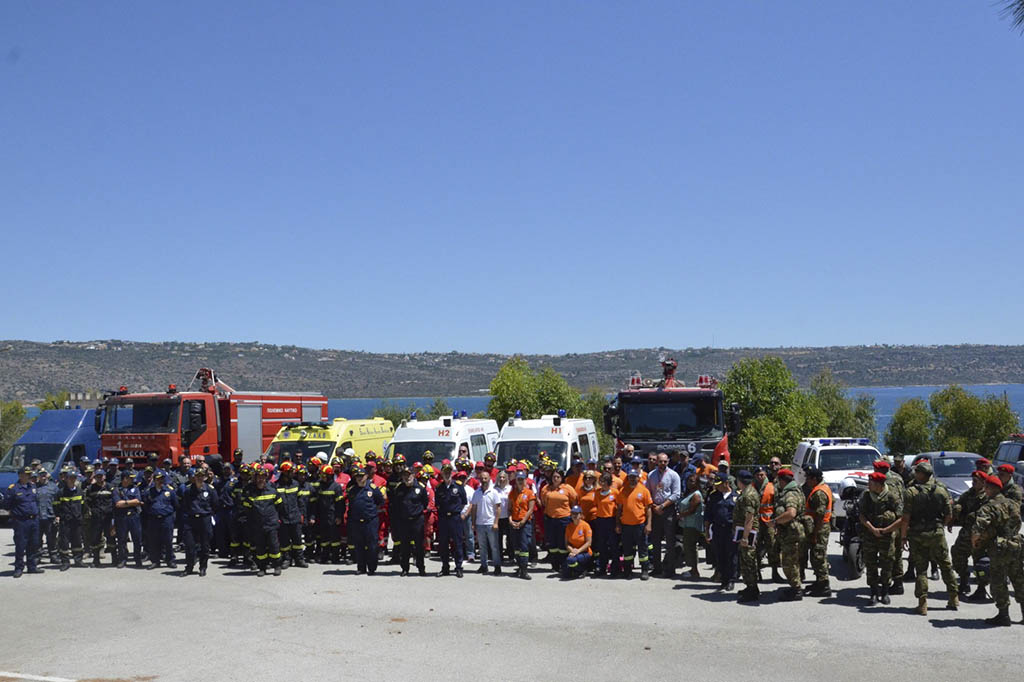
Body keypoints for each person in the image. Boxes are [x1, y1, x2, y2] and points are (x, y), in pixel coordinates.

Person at [902, 460, 957, 615]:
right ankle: (953, 597)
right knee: (946, 565)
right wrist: (941, 526)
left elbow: (905, 518)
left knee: (921, 570)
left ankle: (922, 603)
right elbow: (949, 514)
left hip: (917, 535)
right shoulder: (941, 490)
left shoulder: (911, 492)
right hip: (937, 533)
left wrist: (903, 537)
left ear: (920, 474)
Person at [972, 474, 1024, 626]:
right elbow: (1018, 523)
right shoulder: (1012, 503)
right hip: (1016, 544)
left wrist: (976, 542)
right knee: (1019, 579)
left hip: (999, 548)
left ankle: (1003, 615)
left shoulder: (988, 507)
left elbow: (978, 527)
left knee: (998, 581)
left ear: (989, 489)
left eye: (986, 487)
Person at [859, 472, 902, 604]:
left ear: (879, 485)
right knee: (871, 564)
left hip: (887, 536)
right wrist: (872, 529)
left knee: (887, 564)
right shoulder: (866, 496)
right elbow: (862, 515)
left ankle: (884, 591)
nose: (868, 485)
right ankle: (873, 592)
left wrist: (886, 530)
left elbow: (901, 518)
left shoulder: (891, 497)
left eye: (871, 483)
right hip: (870, 536)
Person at [951, 470, 988, 600]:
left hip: (980, 534)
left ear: (983, 483)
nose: (973, 483)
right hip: (966, 531)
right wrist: (957, 509)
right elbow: (958, 502)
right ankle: (964, 580)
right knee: (957, 554)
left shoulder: (987, 496)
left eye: (976, 481)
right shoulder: (969, 494)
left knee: (981, 562)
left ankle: (981, 588)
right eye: (972, 480)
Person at [770, 468, 805, 601]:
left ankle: (796, 590)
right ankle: (795, 586)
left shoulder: (790, 494)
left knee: (789, 562)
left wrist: (775, 521)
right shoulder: (792, 491)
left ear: (782, 480)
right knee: (791, 561)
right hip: (789, 533)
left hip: (791, 533)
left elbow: (791, 513)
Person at [2, 466, 42, 577]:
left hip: (33, 520)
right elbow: (6, 504)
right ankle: (18, 568)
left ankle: (32, 566)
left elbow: (36, 502)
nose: (29, 476)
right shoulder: (13, 488)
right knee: (20, 545)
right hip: (21, 521)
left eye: (30, 474)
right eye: (27, 474)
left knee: (33, 544)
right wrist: (15, 512)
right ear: (20, 475)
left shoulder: (32, 486)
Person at [646, 452, 681, 578]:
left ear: (668, 462)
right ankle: (657, 568)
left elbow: (676, 494)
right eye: (660, 461)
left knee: (670, 541)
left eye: (665, 461)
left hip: (668, 510)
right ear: (657, 462)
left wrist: (663, 506)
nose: (663, 464)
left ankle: (670, 569)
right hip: (655, 510)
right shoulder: (651, 475)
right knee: (655, 541)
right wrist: (654, 506)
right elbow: (648, 492)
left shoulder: (673, 475)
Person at [179, 467, 218, 576]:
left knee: (205, 546)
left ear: (205, 477)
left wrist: (207, 513)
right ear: (194, 477)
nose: (199, 478)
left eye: (201, 476)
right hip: (191, 520)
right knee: (189, 545)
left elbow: (215, 504)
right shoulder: (188, 490)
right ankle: (189, 567)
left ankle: (203, 567)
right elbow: (185, 505)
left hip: (204, 519)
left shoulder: (210, 489)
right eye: (197, 476)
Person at [244, 467, 282, 577]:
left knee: (274, 546)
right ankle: (262, 568)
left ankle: (277, 566)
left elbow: (279, 505)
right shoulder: (250, 492)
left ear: (266, 478)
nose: (261, 479)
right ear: (255, 478)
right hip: (257, 525)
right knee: (260, 548)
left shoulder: (272, 490)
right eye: (259, 477)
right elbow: (247, 510)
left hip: (271, 524)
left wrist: (274, 518)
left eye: (263, 477)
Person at [616, 467, 653, 580]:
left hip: (640, 525)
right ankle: (627, 571)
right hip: (626, 525)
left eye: (634, 477)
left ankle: (644, 570)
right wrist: (618, 524)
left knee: (643, 548)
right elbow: (619, 509)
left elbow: (648, 509)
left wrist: (649, 524)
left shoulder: (644, 490)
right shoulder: (622, 491)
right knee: (627, 550)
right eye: (630, 477)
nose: (632, 479)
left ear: (638, 478)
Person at [347, 466, 385, 575]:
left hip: (370, 521)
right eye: (357, 476)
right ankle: (361, 568)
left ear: (366, 476)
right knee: (359, 545)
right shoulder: (352, 490)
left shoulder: (372, 488)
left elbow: (380, 501)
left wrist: (372, 511)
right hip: (357, 522)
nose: (359, 478)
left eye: (361, 476)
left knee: (372, 545)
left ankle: (372, 568)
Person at [392, 465, 428, 576]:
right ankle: (405, 568)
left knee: (419, 547)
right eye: (405, 475)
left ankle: (421, 568)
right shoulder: (399, 488)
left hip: (417, 521)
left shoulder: (420, 488)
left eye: (409, 475)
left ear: (413, 475)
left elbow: (425, 503)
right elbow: (396, 505)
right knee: (404, 547)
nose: (407, 477)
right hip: (404, 521)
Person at [802, 467, 833, 597]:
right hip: (821, 527)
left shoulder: (819, 493)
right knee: (816, 556)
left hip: (820, 528)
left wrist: (815, 533)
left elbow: (820, 515)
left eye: (808, 478)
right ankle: (819, 582)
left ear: (814, 479)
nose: (807, 481)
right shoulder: (824, 487)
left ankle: (824, 585)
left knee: (819, 556)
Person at [465, 470, 503, 575]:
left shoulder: (494, 492)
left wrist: (496, 522)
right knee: (482, 547)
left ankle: (497, 566)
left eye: (486, 478)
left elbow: (498, 508)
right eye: (482, 478)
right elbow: (474, 508)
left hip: (491, 523)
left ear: (489, 479)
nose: (484, 480)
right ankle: (484, 566)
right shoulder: (476, 492)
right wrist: (473, 523)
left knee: (494, 547)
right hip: (480, 523)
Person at [540, 470, 577, 572]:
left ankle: (563, 564)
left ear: (562, 478)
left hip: (564, 519)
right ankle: (554, 565)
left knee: (563, 543)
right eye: (554, 477)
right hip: (550, 518)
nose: (555, 479)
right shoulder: (546, 489)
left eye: (558, 477)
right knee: (552, 544)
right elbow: (543, 501)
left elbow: (574, 501)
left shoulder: (568, 488)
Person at [705, 473, 737, 591]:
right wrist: (707, 531)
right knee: (720, 555)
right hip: (718, 529)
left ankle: (731, 579)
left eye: (719, 485)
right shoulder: (714, 496)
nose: (717, 487)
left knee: (732, 556)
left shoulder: (736, 496)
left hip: (731, 530)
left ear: (726, 483)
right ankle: (723, 579)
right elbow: (708, 515)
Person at [435, 462, 468, 577]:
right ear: (442, 474)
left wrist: (455, 511)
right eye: (445, 472)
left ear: (452, 473)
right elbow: (437, 504)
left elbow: (464, 502)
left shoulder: (458, 486)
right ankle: (445, 568)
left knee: (458, 543)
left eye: (449, 472)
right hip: (444, 518)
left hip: (455, 518)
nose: (447, 474)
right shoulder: (439, 488)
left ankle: (459, 567)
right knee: (443, 544)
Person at [274, 462, 307, 569]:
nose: (292, 473)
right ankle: (287, 559)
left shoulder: (296, 484)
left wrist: (302, 514)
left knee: (297, 540)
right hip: (282, 518)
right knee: (284, 541)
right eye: (290, 472)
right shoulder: (276, 485)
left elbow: (301, 501)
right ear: (284, 472)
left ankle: (299, 559)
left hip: (295, 516)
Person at [734, 470, 760, 602]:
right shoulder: (747, 492)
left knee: (749, 561)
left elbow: (749, 518)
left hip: (749, 532)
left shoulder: (748, 495)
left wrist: (745, 537)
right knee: (745, 560)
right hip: (744, 530)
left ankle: (752, 589)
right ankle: (749, 587)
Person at [675, 467, 704, 579]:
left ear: (697, 483)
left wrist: (680, 515)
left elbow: (692, 510)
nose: (689, 483)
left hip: (693, 525)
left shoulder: (696, 495)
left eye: (692, 481)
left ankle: (695, 571)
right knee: (688, 547)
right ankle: (693, 569)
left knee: (691, 548)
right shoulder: (689, 493)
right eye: (688, 480)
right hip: (687, 524)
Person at [146, 471, 179, 570]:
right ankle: (155, 561)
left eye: (162, 479)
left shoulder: (170, 491)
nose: (160, 481)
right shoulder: (149, 491)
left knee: (168, 540)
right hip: (154, 519)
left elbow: (176, 504)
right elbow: (146, 505)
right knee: (154, 541)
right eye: (158, 479)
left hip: (166, 519)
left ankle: (170, 560)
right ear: (154, 480)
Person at [112, 470, 144, 569]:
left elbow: (138, 501)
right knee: (121, 540)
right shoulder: (116, 490)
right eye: (130, 478)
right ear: (125, 479)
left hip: (134, 517)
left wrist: (125, 502)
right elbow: (117, 504)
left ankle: (137, 560)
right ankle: (122, 559)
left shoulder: (135, 488)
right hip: (122, 517)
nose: (132, 479)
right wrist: (131, 502)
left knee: (137, 539)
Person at [753, 466, 780, 583]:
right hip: (756, 523)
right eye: (758, 475)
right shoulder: (751, 488)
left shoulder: (772, 487)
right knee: (756, 547)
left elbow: (777, 506)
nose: (760, 477)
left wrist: (777, 523)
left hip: (769, 522)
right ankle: (757, 571)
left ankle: (775, 572)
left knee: (773, 547)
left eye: (762, 475)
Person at [314, 465, 345, 564]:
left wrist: (339, 516)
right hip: (322, 516)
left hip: (333, 516)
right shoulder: (320, 486)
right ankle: (325, 557)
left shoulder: (336, 487)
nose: (322, 477)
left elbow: (340, 504)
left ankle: (335, 557)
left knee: (335, 538)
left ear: (330, 475)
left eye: (324, 476)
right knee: (324, 538)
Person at [508, 471, 536, 580]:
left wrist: (523, 521)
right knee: (516, 547)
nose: (520, 481)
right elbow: (509, 509)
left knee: (524, 546)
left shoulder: (529, 493)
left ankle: (524, 570)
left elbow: (530, 509)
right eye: (518, 479)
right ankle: (519, 567)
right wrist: (510, 520)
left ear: (525, 480)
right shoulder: (512, 493)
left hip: (524, 522)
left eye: (522, 479)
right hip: (514, 522)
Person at [85, 468, 114, 567]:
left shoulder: (110, 487)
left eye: (101, 476)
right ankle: (96, 559)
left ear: (104, 477)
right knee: (95, 539)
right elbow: (87, 502)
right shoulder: (90, 489)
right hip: (96, 518)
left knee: (111, 538)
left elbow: (115, 501)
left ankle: (114, 559)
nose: (99, 478)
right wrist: (91, 511)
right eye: (97, 476)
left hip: (109, 517)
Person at [35, 469, 59, 564]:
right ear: (38, 476)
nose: (43, 476)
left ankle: (53, 556)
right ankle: (37, 556)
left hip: (50, 517)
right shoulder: (34, 487)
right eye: (41, 475)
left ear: (47, 475)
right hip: (38, 517)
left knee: (52, 538)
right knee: (37, 539)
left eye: (44, 474)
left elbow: (58, 502)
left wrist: (58, 515)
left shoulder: (54, 488)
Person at [563, 505, 592, 580]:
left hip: (585, 552)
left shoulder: (585, 525)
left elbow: (589, 543)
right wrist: (572, 550)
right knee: (566, 574)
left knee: (571, 560)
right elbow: (567, 544)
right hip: (573, 552)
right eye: (573, 513)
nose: (574, 516)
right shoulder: (569, 527)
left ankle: (582, 570)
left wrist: (577, 551)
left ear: (581, 515)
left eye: (577, 514)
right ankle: (576, 570)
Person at [494, 469, 512, 563]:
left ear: (506, 478)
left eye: (503, 477)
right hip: (498, 517)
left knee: (510, 537)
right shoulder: (494, 489)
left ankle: (511, 555)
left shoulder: (510, 488)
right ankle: (499, 557)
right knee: (498, 538)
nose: (501, 479)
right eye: (500, 477)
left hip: (508, 516)